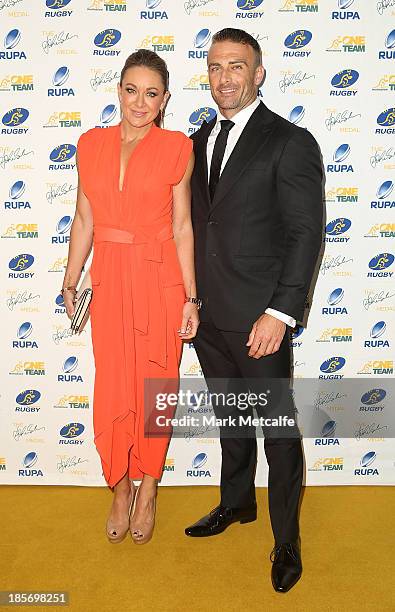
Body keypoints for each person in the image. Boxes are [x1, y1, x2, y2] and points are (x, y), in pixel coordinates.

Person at [185, 28, 323, 593]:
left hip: (261, 319)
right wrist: (189, 299)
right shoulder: (195, 142)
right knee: (231, 421)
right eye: (215, 66)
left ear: (258, 74)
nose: (225, 78)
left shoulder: (290, 141)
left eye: (236, 66)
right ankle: (236, 503)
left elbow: (305, 232)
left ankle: (286, 539)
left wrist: (281, 313)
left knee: (278, 434)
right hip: (209, 316)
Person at [61, 49, 197, 545]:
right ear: (118, 90)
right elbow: (84, 219)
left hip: (161, 281)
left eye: (152, 93)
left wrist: (191, 298)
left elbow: (182, 227)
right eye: (132, 90)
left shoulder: (177, 147)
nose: (140, 102)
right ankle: (119, 485)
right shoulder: (90, 144)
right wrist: (70, 279)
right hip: (111, 280)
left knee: (158, 387)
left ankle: (150, 486)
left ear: (164, 101)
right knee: (114, 386)